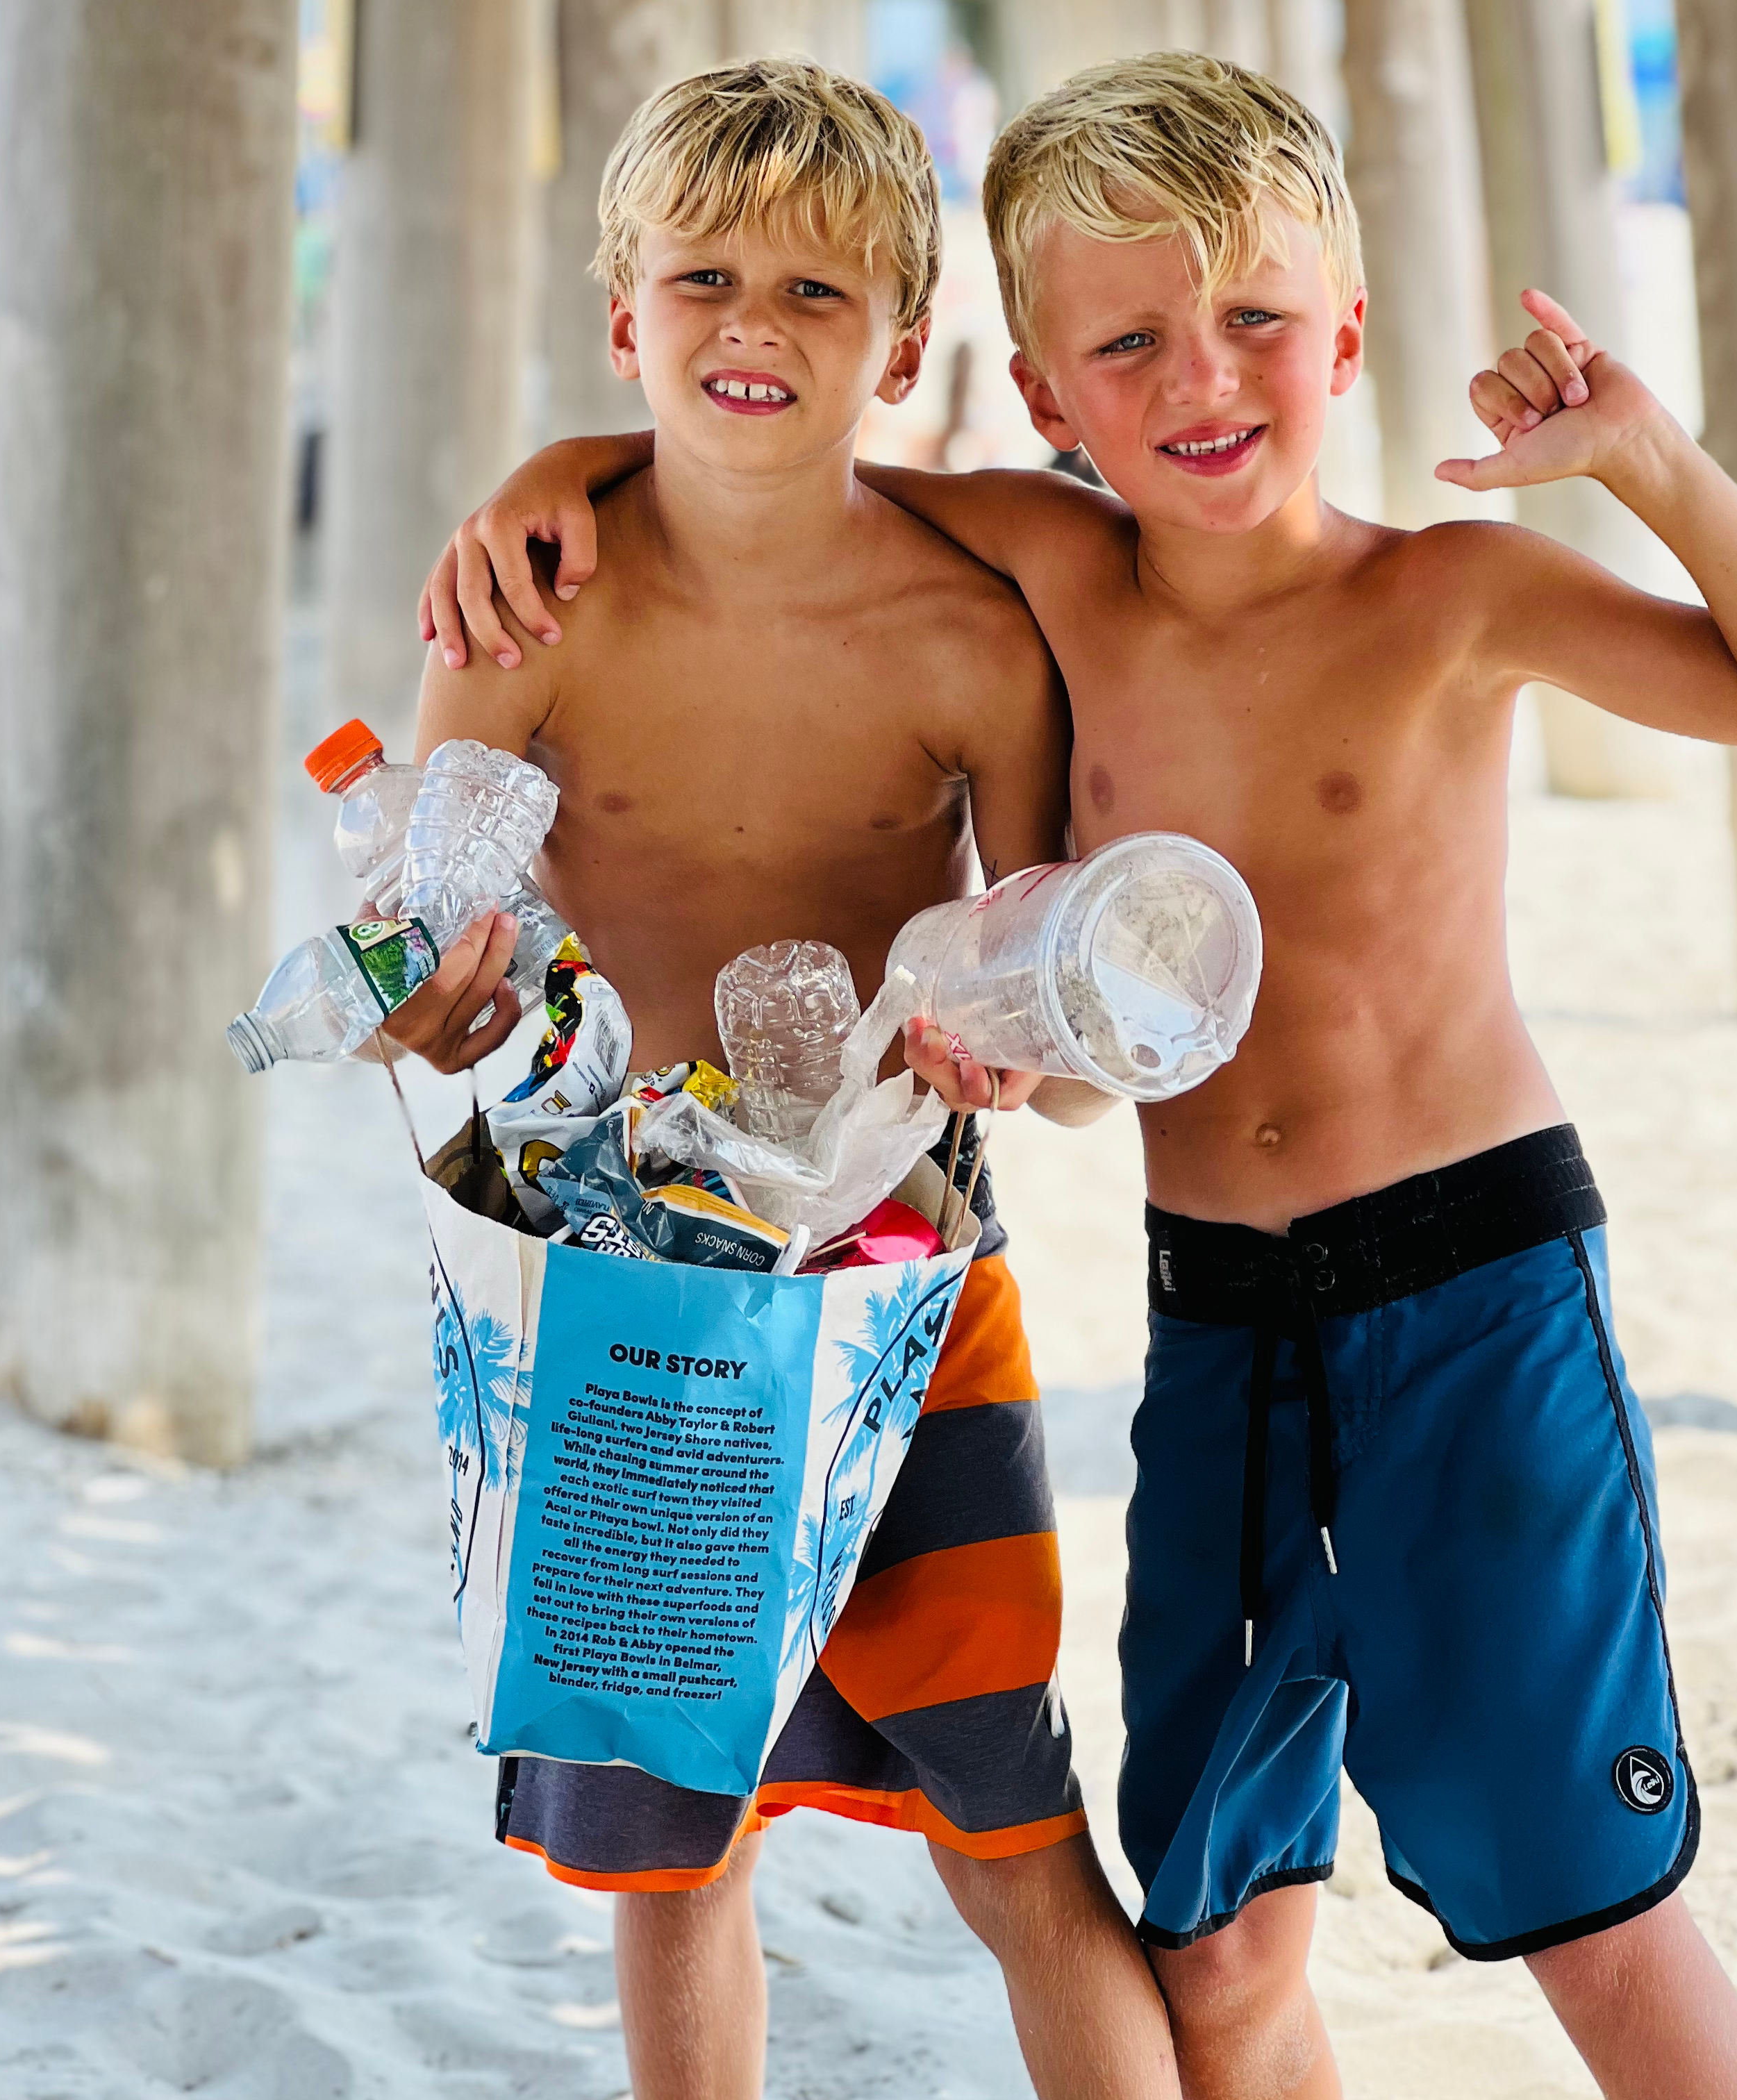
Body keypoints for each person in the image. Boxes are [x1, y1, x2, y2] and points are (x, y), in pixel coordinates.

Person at [420, 51, 1737, 2100]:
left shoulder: (1448, 598)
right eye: (1129, 341)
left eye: (1259, 323)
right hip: (1212, 1327)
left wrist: (1643, 456)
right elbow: (766, 445)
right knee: (1211, 1946)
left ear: (1348, 333)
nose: (1201, 377)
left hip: (1467, 1278)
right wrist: (558, 473)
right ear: (1043, 392)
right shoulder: (1055, 572)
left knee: (1583, 1892)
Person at [383, 56, 1177, 2100]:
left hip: (914, 1278)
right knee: (679, 1850)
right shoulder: (531, 606)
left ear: (906, 350)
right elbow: (417, 956)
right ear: (622, 315)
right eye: (704, 280)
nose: (754, 327)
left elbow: (1073, 1059)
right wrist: (430, 1007)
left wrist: (1028, 1062)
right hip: (622, 1281)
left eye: (821, 296)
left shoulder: (971, 641)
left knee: (1016, 1831)